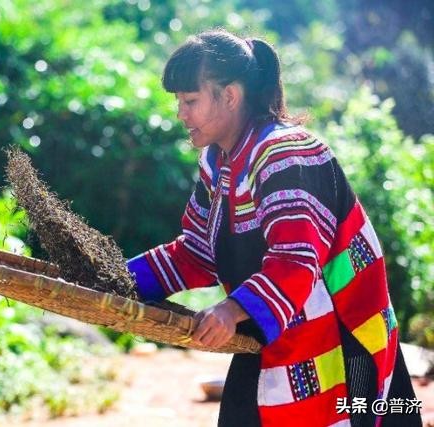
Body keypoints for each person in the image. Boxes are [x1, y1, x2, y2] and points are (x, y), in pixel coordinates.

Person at [126, 29, 420, 427]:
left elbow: (296, 259)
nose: (181, 114)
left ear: (230, 96)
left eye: (190, 100)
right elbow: (197, 253)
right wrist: (121, 277)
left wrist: (231, 310)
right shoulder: (218, 162)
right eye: (179, 102)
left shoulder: (287, 152)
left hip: (344, 341)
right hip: (272, 331)